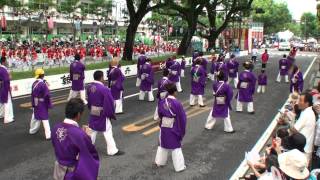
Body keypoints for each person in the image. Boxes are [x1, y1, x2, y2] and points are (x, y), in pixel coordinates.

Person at [51, 98, 99, 180]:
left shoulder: (55, 128)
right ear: (78, 114)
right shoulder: (79, 134)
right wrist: (87, 136)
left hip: (58, 170)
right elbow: (89, 153)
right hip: (72, 172)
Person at [86, 70, 124, 156]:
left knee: (92, 129)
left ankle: (87, 148)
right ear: (101, 77)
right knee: (107, 131)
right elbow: (109, 103)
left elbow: (89, 101)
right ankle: (112, 150)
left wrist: (91, 108)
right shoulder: (104, 89)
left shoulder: (89, 87)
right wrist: (110, 114)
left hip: (93, 111)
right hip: (102, 113)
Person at [154, 83, 187, 172]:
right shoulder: (177, 103)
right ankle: (179, 167)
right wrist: (182, 130)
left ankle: (159, 162)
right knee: (175, 146)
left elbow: (160, 114)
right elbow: (182, 118)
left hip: (164, 125)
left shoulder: (161, 102)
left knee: (162, 144)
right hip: (174, 126)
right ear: (175, 92)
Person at [290, 92, 316, 162]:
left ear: (307, 103)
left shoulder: (306, 114)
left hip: (303, 150)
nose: (298, 102)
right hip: (305, 148)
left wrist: (291, 119)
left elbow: (294, 129)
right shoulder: (307, 111)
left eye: (300, 100)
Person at [29, 68, 52, 140]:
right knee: (45, 118)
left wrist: (34, 104)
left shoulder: (34, 83)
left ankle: (32, 130)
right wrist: (49, 104)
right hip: (42, 103)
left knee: (35, 116)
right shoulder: (43, 84)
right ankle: (48, 135)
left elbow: (32, 94)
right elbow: (47, 95)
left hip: (36, 102)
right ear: (43, 75)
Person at [0, 56, 14, 123]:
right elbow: (6, 80)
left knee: (2, 102)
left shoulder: (1, 69)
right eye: (6, 61)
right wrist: (9, 76)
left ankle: (1, 114)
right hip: (4, 88)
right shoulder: (3, 70)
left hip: (2, 87)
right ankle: (7, 118)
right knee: (7, 102)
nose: (7, 62)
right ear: (3, 62)